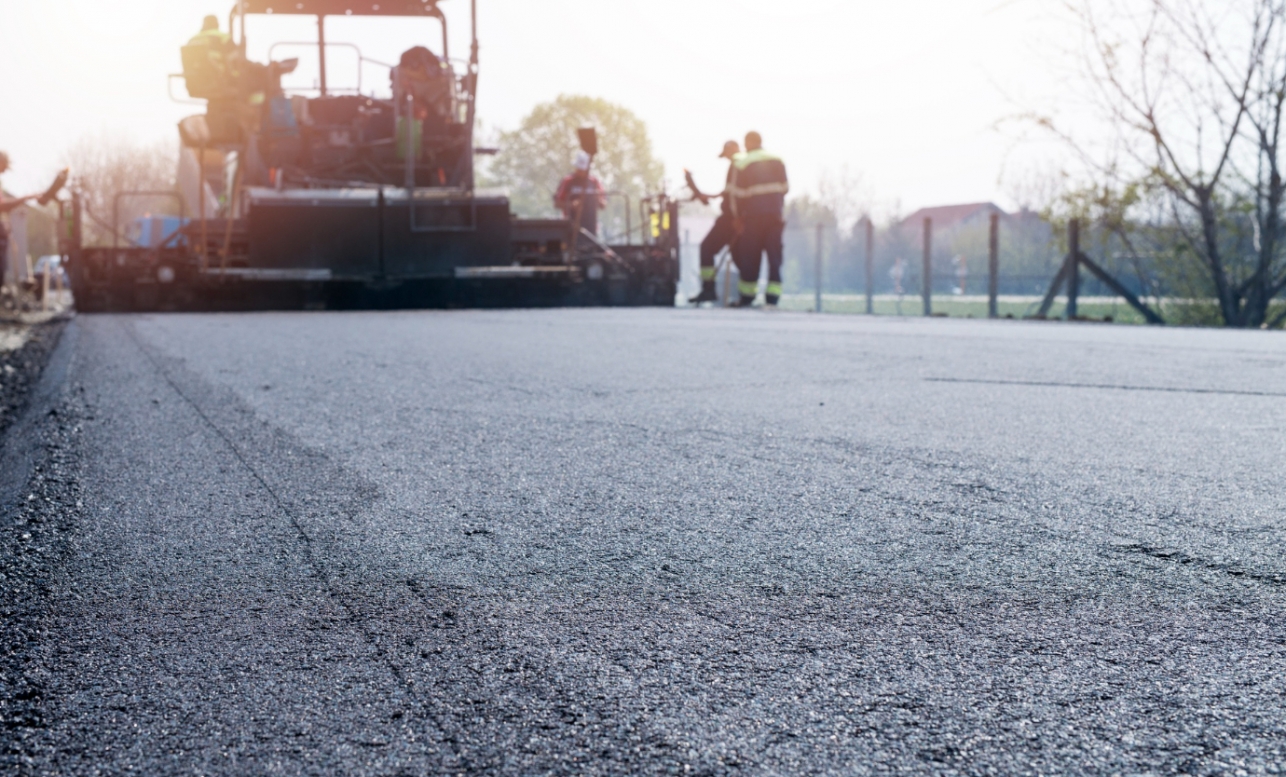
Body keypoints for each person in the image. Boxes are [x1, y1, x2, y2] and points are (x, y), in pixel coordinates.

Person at [729, 131, 788, 307]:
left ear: (747, 143)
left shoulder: (742, 163)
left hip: (753, 218)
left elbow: (736, 195)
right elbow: (785, 188)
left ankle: (747, 296)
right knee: (774, 257)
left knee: (750, 257)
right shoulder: (778, 160)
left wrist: (737, 218)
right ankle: (773, 298)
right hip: (775, 216)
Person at [688, 140, 740, 304]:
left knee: (707, 248)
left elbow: (734, 195)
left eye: (727, 154)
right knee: (739, 255)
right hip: (735, 217)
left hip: (731, 219)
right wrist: (709, 196)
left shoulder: (737, 165)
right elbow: (728, 193)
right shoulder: (737, 166)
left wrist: (737, 217)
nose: (726, 158)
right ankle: (712, 290)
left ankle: (709, 289)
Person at [554, 150, 607, 239]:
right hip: (570, 228)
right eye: (579, 169)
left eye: (583, 169)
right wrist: (571, 205)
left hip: (591, 229)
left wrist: (599, 201)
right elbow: (557, 203)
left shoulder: (594, 181)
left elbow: (603, 204)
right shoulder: (568, 181)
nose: (580, 172)